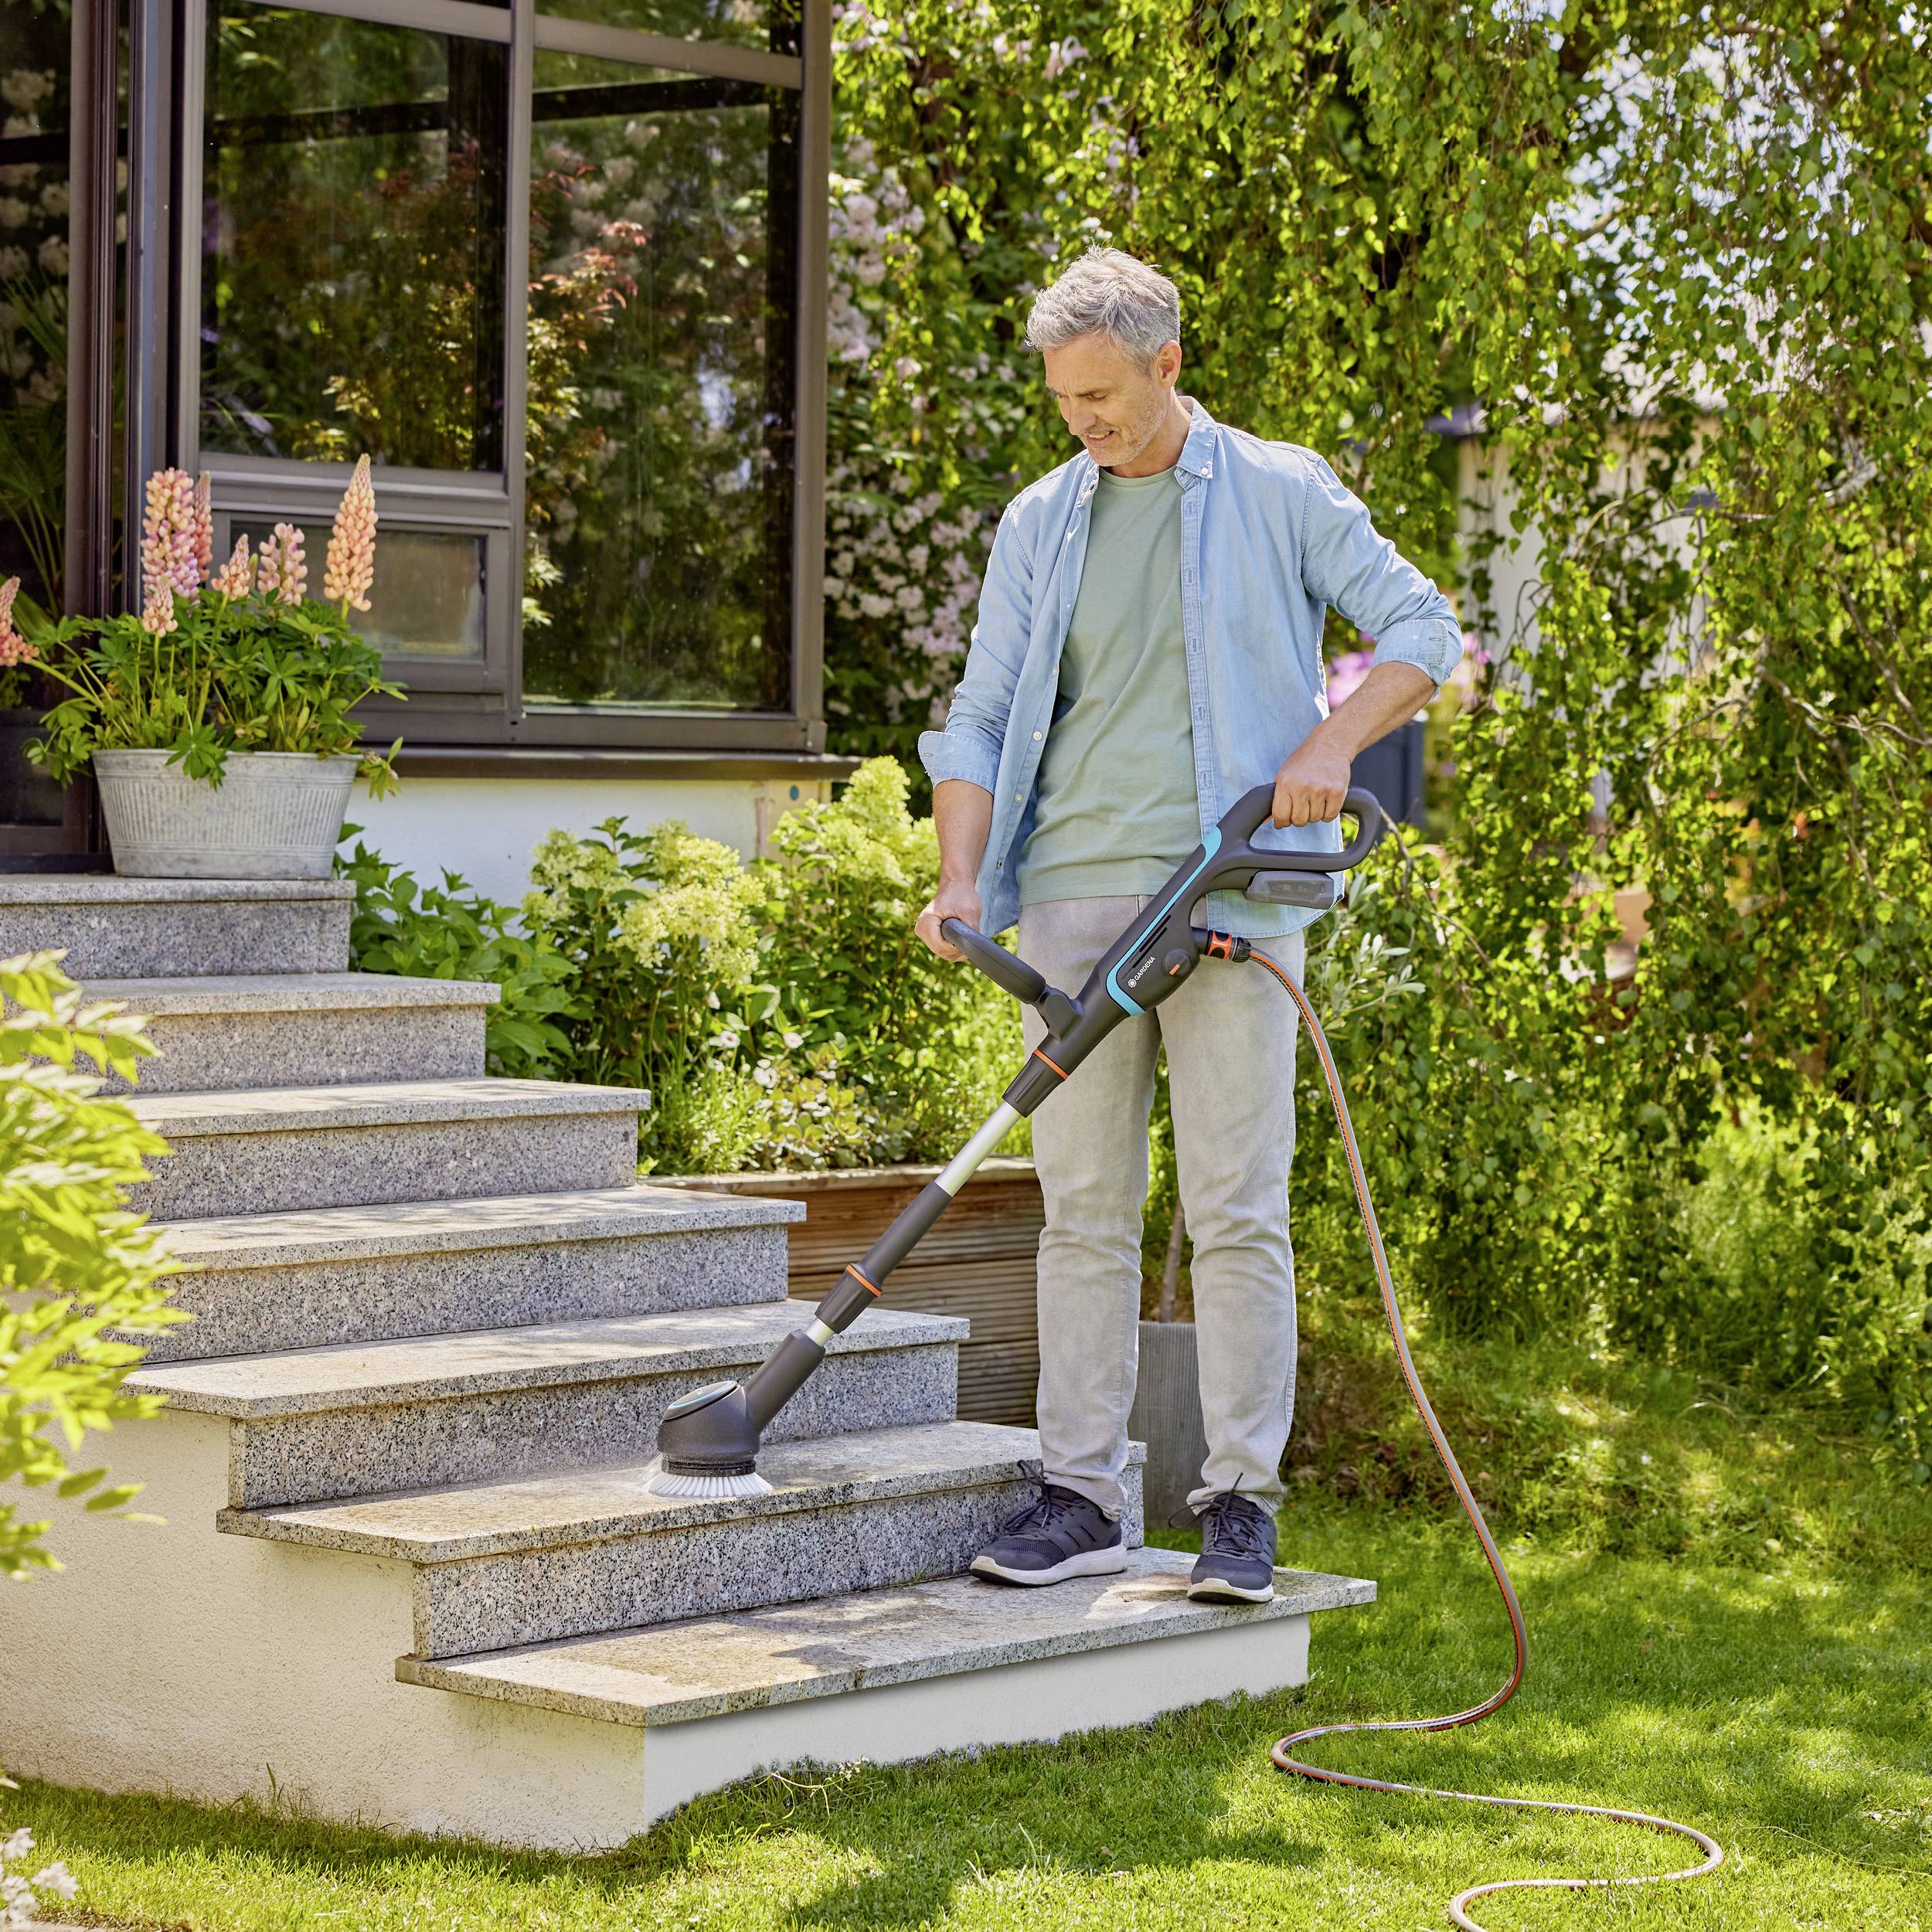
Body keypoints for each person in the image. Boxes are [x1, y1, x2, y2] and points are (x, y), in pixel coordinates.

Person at [913, 247, 1460, 1604]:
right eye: (1065, 401)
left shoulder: (1278, 489)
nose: (1084, 423)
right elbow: (980, 714)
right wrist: (963, 879)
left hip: (1238, 889)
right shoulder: (1043, 518)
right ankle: (1083, 1495)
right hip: (1075, 895)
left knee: (1236, 1211)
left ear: (1169, 366)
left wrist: (1333, 744)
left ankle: (1237, 1505)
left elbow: (1422, 626)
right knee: (1082, 1212)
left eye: (1103, 395)